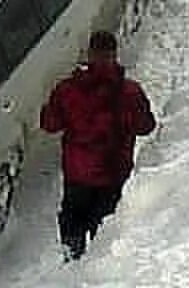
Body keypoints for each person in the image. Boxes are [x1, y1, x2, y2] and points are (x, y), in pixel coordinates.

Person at [41, 30, 156, 260]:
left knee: (73, 222)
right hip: (113, 173)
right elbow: (146, 126)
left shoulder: (68, 89)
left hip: (77, 173)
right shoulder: (130, 92)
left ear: (90, 54)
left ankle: (72, 263)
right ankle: (95, 270)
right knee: (103, 230)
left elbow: (49, 124)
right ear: (114, 54)